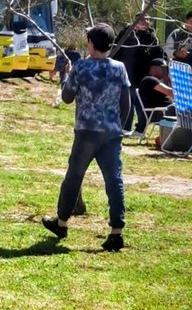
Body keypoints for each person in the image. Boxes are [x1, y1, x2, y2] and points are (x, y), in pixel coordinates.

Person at [41, 22, 131, 251]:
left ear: (90, 43)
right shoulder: (119, 68)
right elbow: (126, 103)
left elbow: (67, 97)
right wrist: (117, 126)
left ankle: (61, 222)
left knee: (74, 176)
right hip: (111, 133)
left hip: (86, 132)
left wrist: (67, 77)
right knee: (114, 180)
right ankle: (117, 231)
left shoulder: (81, 67)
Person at [114, 15, 161, 131]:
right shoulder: (126, 33)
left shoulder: (152, 37)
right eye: (142, 20)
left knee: (141, 104)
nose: (145, 22)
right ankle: (125, 127)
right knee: (127, 103)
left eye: (147, 19)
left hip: (143, 77)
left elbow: (158, 54)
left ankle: (141, 128)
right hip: (126, 74)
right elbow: (116, 51)